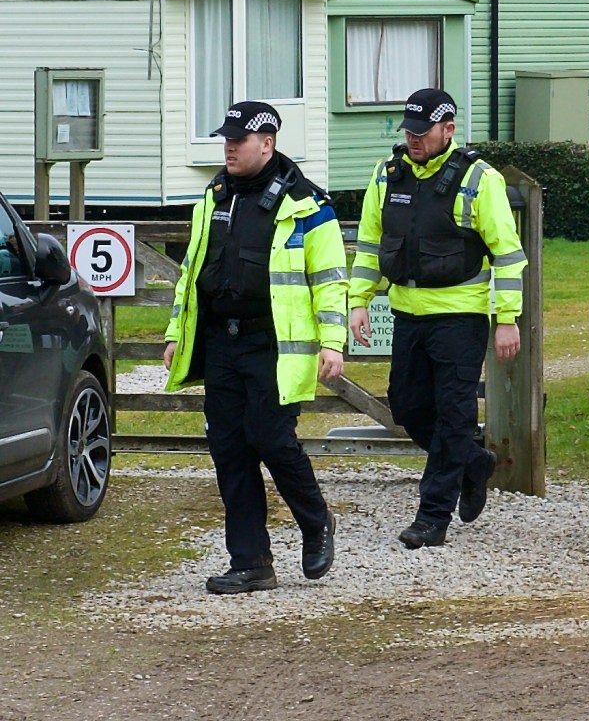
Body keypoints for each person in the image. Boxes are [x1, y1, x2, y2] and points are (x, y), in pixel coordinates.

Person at [164, 101, 348, 593]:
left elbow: (330, 281)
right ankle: (251, 562)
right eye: (225, 138)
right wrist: (176, 331)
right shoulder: (215, 194)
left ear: (266, 144)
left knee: (272, 440)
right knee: (229, 452)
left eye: (238, 139)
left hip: (273, 347)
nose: (227, 146)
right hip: (222, 343)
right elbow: (192, 271)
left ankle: (316, 522)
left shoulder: (309, 204)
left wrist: (332, 342)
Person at [349, 88, 527, 549]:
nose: (413, 138)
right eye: (409, 129)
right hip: (407, 314)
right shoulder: (387, 174)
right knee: (407, 408)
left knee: (453, 417)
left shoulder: (479, 179)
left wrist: (507, 319)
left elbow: (508, 255)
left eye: (422, 131)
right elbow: (371, 244)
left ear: (448, 129)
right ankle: (471, 462)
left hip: (460, 319)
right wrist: (359, 300)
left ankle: (432, 517)